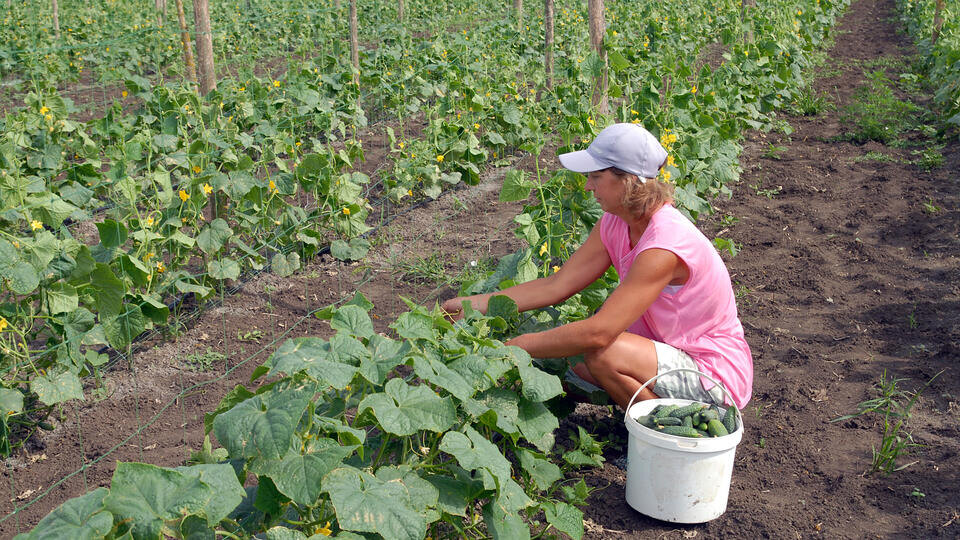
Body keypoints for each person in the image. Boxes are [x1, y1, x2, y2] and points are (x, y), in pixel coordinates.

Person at [442, 123, 753, 411]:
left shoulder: (665, 244)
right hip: (667, 352)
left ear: (629, 180)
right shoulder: (615, 223)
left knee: (601, 353)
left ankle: (668, 435)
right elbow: (557, 285)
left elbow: (599, 333)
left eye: (596, 176)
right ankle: (646, 413)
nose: (588, 185)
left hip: (711, 373)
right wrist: (471, 305)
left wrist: (512, 348)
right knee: (570, 362)